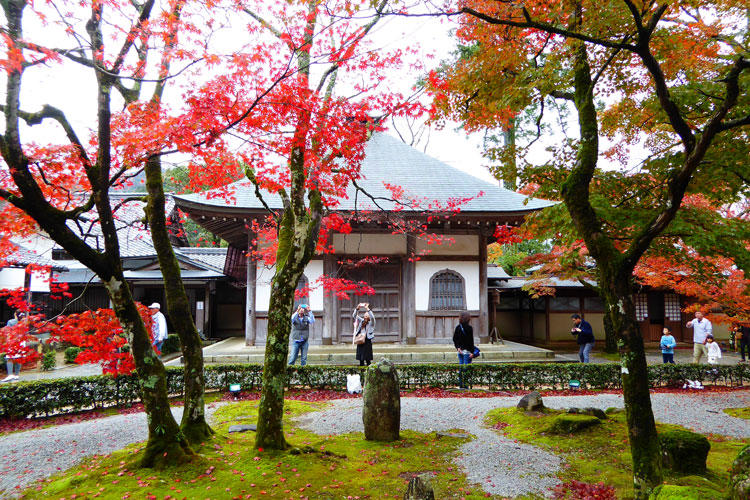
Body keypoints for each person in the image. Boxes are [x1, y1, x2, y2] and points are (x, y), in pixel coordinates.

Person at [453, 311, 475, 388]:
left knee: (461, 368)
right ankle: (465, 386)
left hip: (460, 352)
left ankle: (461, 385)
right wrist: (472, 352)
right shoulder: (469, 328)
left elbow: (455, 339)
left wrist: (458, 347)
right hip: (467, 352)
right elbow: (471, 341)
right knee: (466, 369)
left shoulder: (458, 327)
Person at [2, 312, 25, 382]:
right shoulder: (24, 322)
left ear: (15, 314)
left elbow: (7, 332)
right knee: (19, 357)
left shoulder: (11, 322)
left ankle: (10, 374)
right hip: (22, 341)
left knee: (10, 358)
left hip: (12, 341)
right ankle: (17, 375)